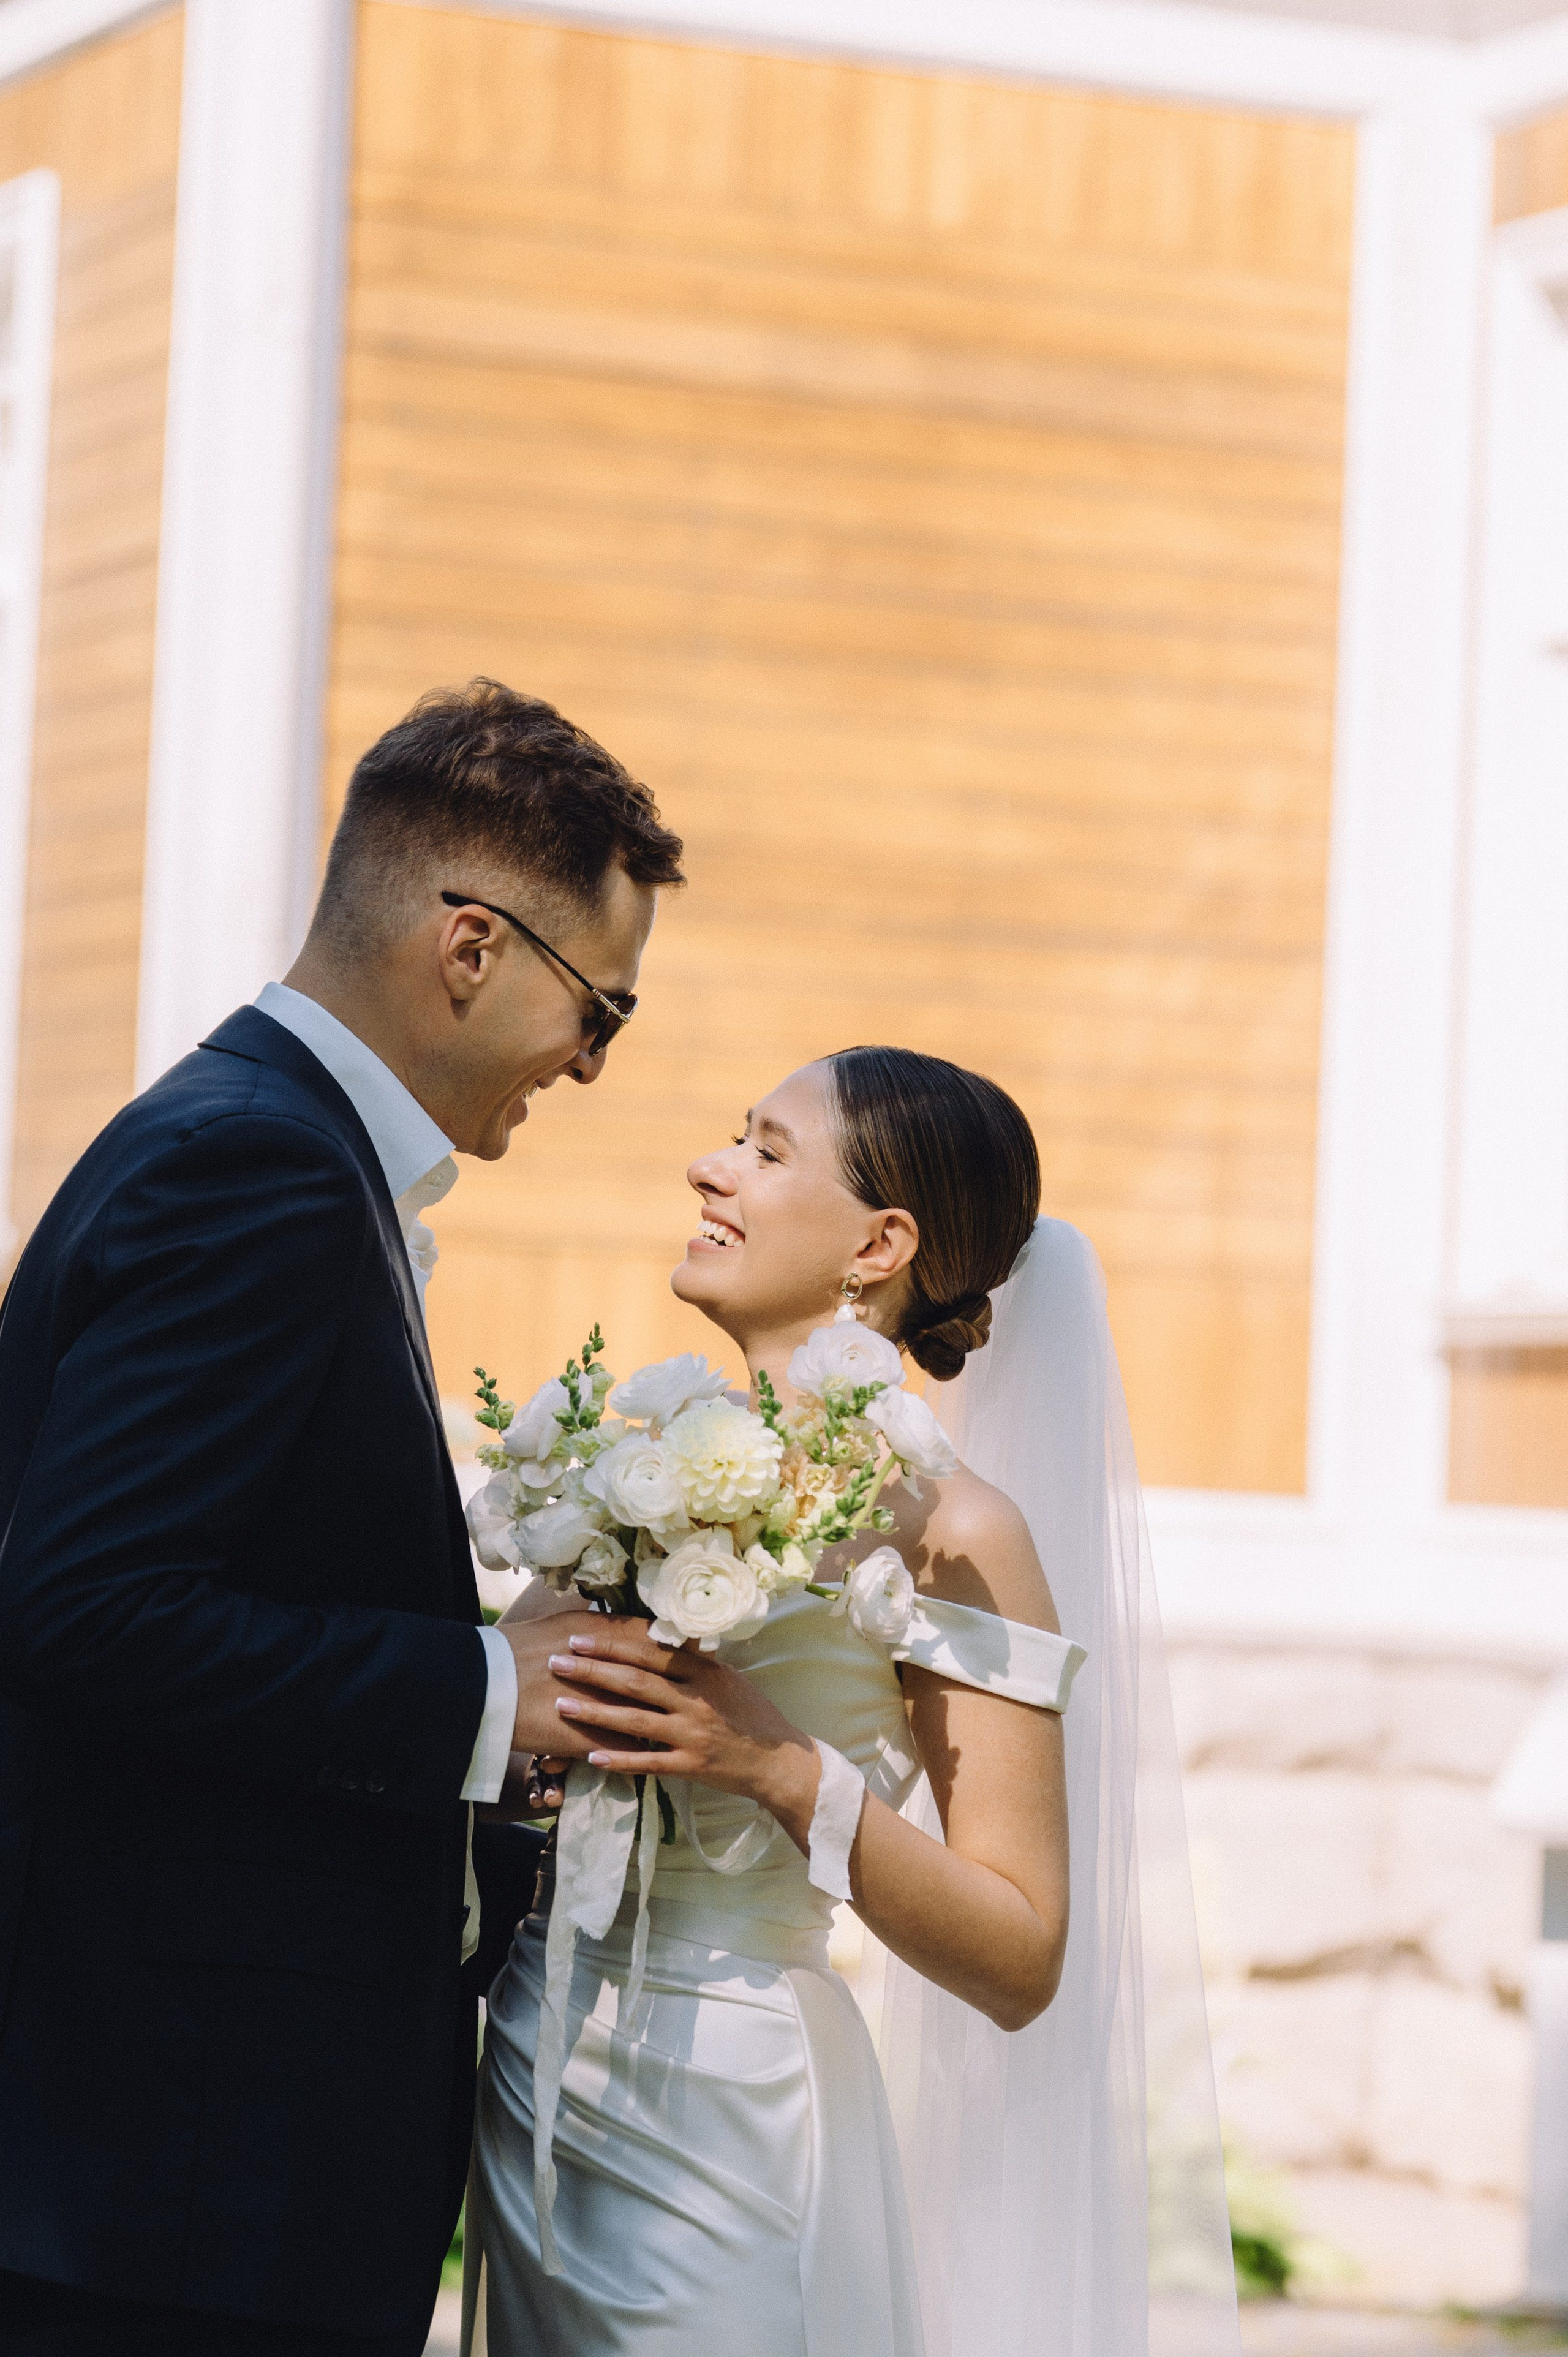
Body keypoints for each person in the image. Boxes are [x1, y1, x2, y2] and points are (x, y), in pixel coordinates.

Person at [0, 679, 686, 2356]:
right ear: (472, 947)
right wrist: (494, 1689)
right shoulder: (262, 1167)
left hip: (181, 2170)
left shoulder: (258, 1137)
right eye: (599, 1008)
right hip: (176, 2182)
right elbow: (89, 1608)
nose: (592, 1064)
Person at [464, 1047, 1240, 2356]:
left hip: (732, 2112)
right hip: (541, 2062)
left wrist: (775, 1765)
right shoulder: (628, 1464)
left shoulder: (955, 1532)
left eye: (765, 1152)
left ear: (878, 1244)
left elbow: (1021, 1955)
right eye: (734, 1139)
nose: (709, 1170)